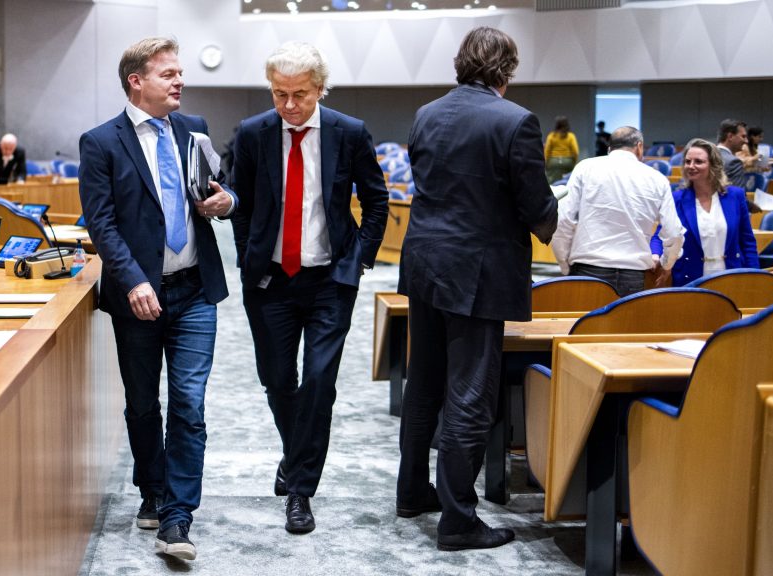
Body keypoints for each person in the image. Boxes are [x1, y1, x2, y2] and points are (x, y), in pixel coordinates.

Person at [397, 26, 557, 552]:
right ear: (506, 69)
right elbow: (536, 206)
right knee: (469, 393)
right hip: (477, 272)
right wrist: (552, 220)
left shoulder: (426, 113)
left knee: (424, 382)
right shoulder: (516, 120)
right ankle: (458, 520)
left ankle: (412, 491)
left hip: (424, 263)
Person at [78, 36, 236, 562]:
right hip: (138, 298)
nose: (180, 81)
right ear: (136, 81)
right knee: (143, 403)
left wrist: (225, 201)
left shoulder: (194, 130)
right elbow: (102, 224)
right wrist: (133, 280)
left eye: (180, 72)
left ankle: (177, 517)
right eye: (168, 73)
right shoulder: (101, 142)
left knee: (189, 403)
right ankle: (152, 487)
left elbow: (219, 187)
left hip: (194, 289)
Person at [230, 41, 389, 536]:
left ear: (320, 89)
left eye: (299, 94)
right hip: (271, 281)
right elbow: (241, 205)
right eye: (279, 94)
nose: (289, 105)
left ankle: (300, 490)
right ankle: (295, 454)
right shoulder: (253, 133)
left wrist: (359, 261)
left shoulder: (349, 132)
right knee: (278, 380)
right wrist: (248, 257)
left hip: (329, 280)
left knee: (319, 381)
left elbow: (377, 201)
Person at [551, 126, 686, 296]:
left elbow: (563, 220)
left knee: (587, 315)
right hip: (633, 274)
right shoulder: (657, 178)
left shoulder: (585, 168)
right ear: (639, 147)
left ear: (610, 148)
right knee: (626, 315)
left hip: (587, 269)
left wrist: (564, 264)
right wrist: (667, 264)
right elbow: (673, 232)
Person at [658, 138, 758, 286]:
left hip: (732, 277)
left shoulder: (736, 196)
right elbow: (661, 234)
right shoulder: (677, 199)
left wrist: (755, 277)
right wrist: (655, 255)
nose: (691, 166)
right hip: (691, 279)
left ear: (713, 165)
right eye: (687, 161)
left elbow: (747, 241)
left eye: (698, 162)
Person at [544, 115, 578, 183]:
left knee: (552, 182)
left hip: (553, 162)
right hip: (567, 162)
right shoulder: (571, 136)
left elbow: (547, 151)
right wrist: (574, 162)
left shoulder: (551, 136)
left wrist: (546, 163)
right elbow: (575, 151)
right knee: (568, 182)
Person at [716, 118, 748, 187]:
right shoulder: (734, 162)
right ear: (730, 136)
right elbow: (738, 192)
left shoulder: (707, 156)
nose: (746, 141)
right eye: (743, 136)